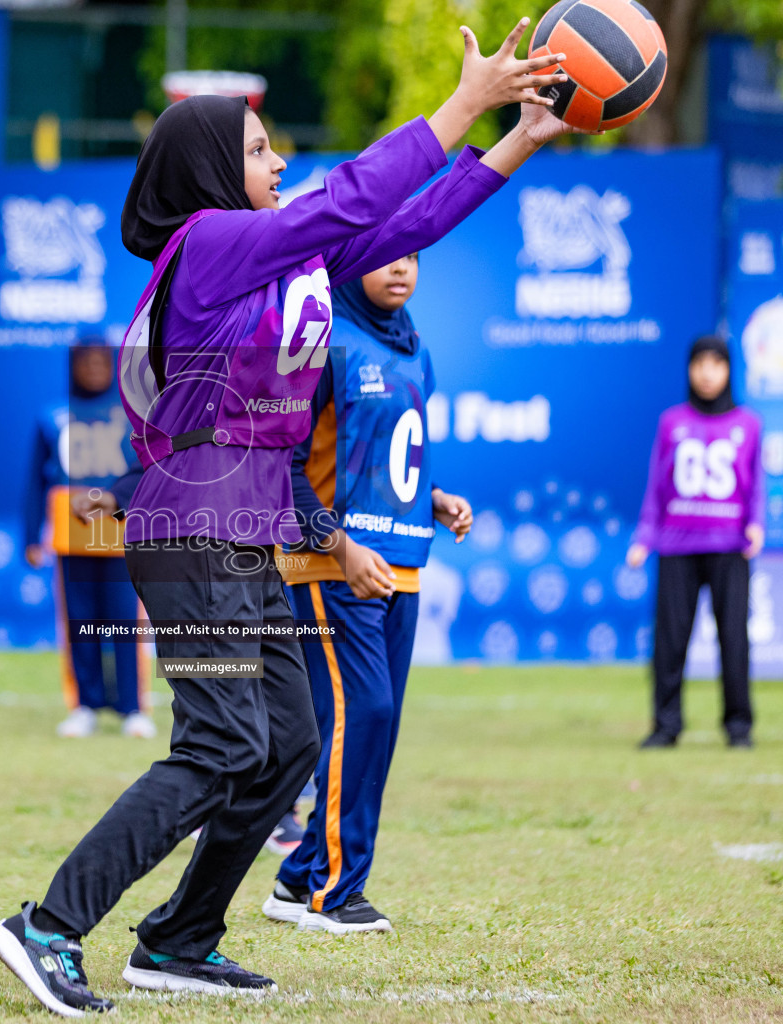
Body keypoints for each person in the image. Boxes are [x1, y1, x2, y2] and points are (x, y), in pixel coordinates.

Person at [0, 19, 581, 1016]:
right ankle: (47, 926)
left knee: (291, 740)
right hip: (192, 537)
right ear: (216, 168)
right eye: (261, 148)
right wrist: (462, 103)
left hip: (242, 535)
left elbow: (406, 223)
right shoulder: (212, 244)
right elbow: (356, 195)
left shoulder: (272, 268)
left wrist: (517, 136)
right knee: (220, 745)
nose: (283, 159)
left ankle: (177, 940)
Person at [263, 252, 475, 937]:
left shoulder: (417, 351)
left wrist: (434, 500)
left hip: (402, 563)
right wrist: (336, 544)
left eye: (412, 255)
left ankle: (297, 881)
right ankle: (335, 892)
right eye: (385, 254)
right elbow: (283, 468)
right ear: (351, 265)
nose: (401, 267)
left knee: (371, 728)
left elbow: (393, 456)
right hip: (332, 567)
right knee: (365, 713)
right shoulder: (324, 345)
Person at [626, 336, 764, 750]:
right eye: (699, 364)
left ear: (728, 370)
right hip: (677, 547)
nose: (707, 373)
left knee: (734, 638)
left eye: (716, 364)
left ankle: (738, 727)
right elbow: (657, 485)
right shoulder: (672, 422)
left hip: (728, 546)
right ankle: (666, 725)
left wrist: (756, 524)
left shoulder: (748, 424)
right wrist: (644, 537)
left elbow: (756, 484)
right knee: (669, 640)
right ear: (689, 370)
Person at [24, 341, 155, 740]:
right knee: (80, 622)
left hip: (120, 534)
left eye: (102, 362)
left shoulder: (133, 413)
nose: (94, 369)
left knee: (125, 622)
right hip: (70, 535)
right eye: (86, 362)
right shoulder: (52, 415)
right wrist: (31, 536)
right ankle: (84, 704)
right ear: (72, 366)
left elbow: (145, 473)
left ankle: (133, 707)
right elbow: (34, 482)